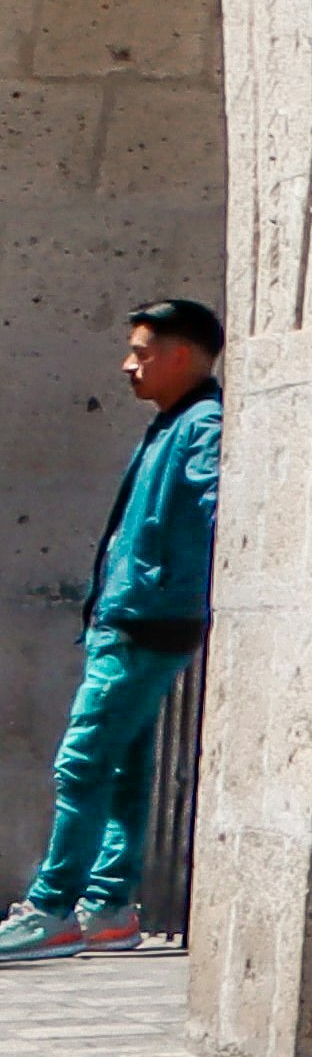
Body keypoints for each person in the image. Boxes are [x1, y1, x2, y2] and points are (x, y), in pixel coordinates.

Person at [0, 300, 223, 963]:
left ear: (178, 355)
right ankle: (108, 907)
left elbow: (228, 502)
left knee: (82, 762)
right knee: (122, 768)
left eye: (141, 351)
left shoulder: (202, 423)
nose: (128, 365)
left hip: (145, 621)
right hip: (136, 616)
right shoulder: (174, 421)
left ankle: (51, 909)